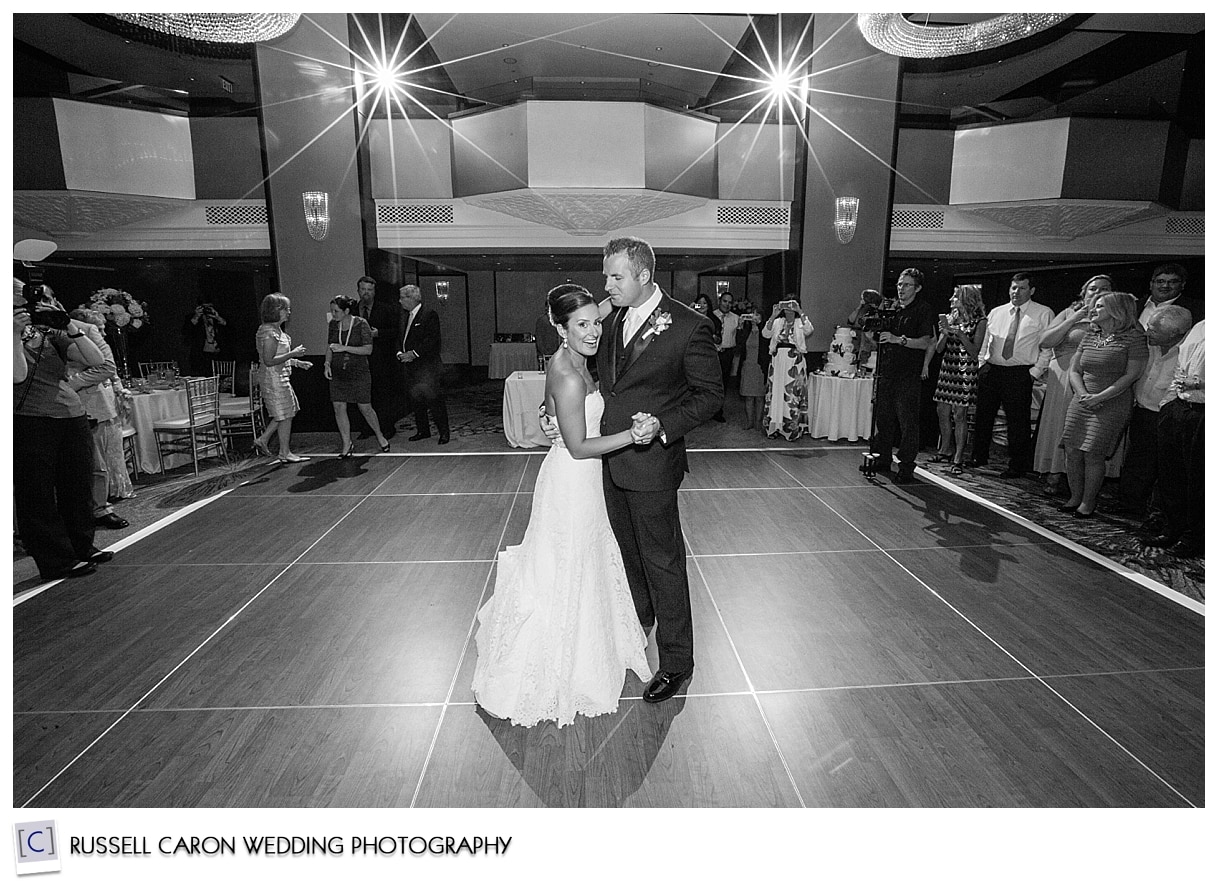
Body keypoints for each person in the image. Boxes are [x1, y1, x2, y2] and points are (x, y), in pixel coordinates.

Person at [542, 237, 722, 704]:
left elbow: (709, 397)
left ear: (644, 275)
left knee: (664, 563)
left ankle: (677, 661)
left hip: (653, 465)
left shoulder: (689, 326)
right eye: (606, 276)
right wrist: (554, 413)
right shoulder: (610, 316)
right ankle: (637, 622)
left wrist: (664, 425)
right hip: (604, 465)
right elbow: (573, 347)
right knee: (627, 555)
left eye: (615, 277)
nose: (607, 285)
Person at [473, 284, 653, 727]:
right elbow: (578, 446)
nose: (593, 331)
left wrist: (543, 411)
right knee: (568, 565)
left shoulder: (575, 361)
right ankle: (562, 662)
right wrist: (635, 435)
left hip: (582, 483)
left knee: (583, 561)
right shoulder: (570, 372)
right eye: (582, 325)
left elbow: (553, 404)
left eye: (596, 322)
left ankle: (590, 644)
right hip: (573, 481)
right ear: (560, 327)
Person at [14, 280, 115, 581]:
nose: (28, 297)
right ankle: (56, 560)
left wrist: (68, 323)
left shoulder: (48, 329)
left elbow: (95, 359)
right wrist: (12, 333)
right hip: (29, 418)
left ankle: (82, 545)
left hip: (70, 414)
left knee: (77, 485)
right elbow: (17, 375)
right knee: (38, 493)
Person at [1058, 292, 1148, 518]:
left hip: (1111, 402)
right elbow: (1075, 369)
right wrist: (1082, 393)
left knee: (1093, 453)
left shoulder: (1134, 337)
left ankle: (1088, 503)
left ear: (1116, 310)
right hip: (1082, 399)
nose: (1093, 309)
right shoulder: (1090, 334)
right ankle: (1074, 497)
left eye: (1099, 306)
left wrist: (1100, 397)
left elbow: (1131, 375)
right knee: (1072, 450)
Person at [1031, 274, 1113, 494]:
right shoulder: (1069, 313)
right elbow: (1045, 341)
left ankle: (1086, 483)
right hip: (1065, 378)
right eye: (1093, 289)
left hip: (1098, 379)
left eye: (1105, 288)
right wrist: (1074, 319)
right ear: (1084, 293)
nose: (1098, 292)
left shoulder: (1116, 315)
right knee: (1061, 425)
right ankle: (1056, 471)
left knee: (1089, 430)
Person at [971, 272, 1055, 479]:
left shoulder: (1043, 313)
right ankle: (978, 457)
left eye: (1022, 288)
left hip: (1020, 372)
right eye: (1014, 288)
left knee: (1018, 422)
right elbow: (986, 341)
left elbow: (1048, 347)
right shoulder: (997, 312)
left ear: (1032, 290)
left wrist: (1034, 373)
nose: (1016, 292)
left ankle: (1017, 465)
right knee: (983, 416)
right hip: (992, 370)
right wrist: (982, 363)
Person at [1119, 305, 1192, 524]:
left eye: (1153, 330)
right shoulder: (1148, 345)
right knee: (1136, 460)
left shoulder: (1187, 350)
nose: (1147, 332)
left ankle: (1157, 514)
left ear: (1174, 334)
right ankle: (1129, 504)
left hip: (1165, 416)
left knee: (1162, 468)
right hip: (1140, 410)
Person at [863, 270, 934, 483]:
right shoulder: (891, 309)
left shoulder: (923, 310)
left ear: (918, 288)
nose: (902, 289)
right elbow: (883, 342)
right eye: (900, 285)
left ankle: (906, 465)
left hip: (908, 374)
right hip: (887, 371)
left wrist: (898, 339)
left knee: (907, 422)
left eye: (907, 285)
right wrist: (872, 337)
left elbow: (925, 342)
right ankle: (883, 457)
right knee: (883, 419)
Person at [67, 307, 131, 528]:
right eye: (101, 329)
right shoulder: (61, 336)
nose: (103, 334)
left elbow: (108, 368)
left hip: (98, 406)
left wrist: (119, 388)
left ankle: (100, 508)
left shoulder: (89, 335)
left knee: (99, 463)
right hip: (69, 407)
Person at [1145, 319, 1204, 557]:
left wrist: (1200, 383)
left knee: (1199, 480)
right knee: (1172, 477)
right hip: (1180, 407)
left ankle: (1196, 538)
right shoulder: (1201, 326)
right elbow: (1181, 368)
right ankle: (1174, 528)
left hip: (1205, 413)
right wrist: (1167, 405)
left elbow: (1194, 378)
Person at [924, 284, 986, 475]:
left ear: (966, 299)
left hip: (965, 370)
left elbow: (975, 352)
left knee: (960, 415)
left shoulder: (980, 321)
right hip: (947, 369)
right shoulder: (952, 318)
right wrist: (945, 332)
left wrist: (959, 333)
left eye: (955, 297)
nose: (951, 300)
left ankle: (958, 456)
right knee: (942, 411)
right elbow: (940, 349)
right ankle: (944, 449)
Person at [325, 295, 390, 458]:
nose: (333, 314)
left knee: (365, 407)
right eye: (332, 311)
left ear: (347, 311)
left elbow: (368, 350)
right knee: (339, 407)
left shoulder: (361, 324)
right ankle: (347, 443)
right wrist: (327, 363)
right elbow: (330, 346)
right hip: (338, 372)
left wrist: (345, 348)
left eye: (336, 311)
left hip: (358, 372)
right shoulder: (333, 325)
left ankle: (380, 436)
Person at [251, 293, 311, 463]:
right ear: (275, 310)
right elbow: (269, 360)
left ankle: (278, 448)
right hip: (273, 379)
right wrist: (293, 353)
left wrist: (298, 362)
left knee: (288, 412)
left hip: (281, 376)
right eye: (286, 308)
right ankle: (280, 449)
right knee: (284, 413)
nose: (288, 312)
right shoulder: (268, 332)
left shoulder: (277, 330)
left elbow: (280, 357)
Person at [396, 284, 450, 444]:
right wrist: (400, 353)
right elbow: (399, 338)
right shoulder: (404, 316)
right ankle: (423, 430)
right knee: (416, 401)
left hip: (428, 368)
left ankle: (444, 433)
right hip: (410, 367)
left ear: (412, 298)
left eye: (402, 298)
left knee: (435, 401)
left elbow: (432, 340)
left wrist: (413, 354)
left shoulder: (428, 314)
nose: (400, 302)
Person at [353, 275, 402, 439]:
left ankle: (387, 428)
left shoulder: (386, 309)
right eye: (363, 289)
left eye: (369, 290)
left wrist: (378, 333)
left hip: (382, 360)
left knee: (383, 396)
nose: (366, 293)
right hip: (359, 361)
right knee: (364, 397)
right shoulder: (351, 309)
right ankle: (367, 429)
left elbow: (396, 331)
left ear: (374, 291)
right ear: (358, 290)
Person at [761, 299, 813, 441]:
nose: (788, 309)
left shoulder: (799, 322)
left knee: (792, 394)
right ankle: (774, 427)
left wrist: (800, 312)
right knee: (776, 393)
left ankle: (792, 429)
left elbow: (809, 330)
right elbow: (765, 333)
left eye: (792, 306)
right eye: (786, 306)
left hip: (794, 361)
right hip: (778, 360)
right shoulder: (778, 321)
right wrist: (773, 315)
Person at [1139, 262, 1202, 328]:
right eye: (1160, 281)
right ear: (1151, 284)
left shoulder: (1197, 310)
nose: (1165, 285)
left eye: (1172, 282)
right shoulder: (1134, 306)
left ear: (1182, 285)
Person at [710, 291, 740, 422]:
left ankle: (718, 411)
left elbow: (740, 338)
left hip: (727, 354)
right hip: (712, 354)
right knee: (710, 383)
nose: (727, 304)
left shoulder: (736, 318)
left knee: (723, 384)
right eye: (724, 301)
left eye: (730, 302)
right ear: (719, 301)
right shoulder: (712, 316)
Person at [182, 297, 228, 377]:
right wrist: (196, 316)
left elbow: (231, 331)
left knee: (222, 382)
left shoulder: (218, 316)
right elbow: (186, 332)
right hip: (202, 357)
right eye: (204, 307)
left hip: (219, 355)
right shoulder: (193, 318)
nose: (207, 310)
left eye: (209, 307)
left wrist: (218, 317)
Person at [737, 305, 766, 430]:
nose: (754, 317)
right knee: (748, 397)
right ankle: (749, 422)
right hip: (748, 366)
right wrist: (740, 326)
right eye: (752, 314)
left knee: (759, 397)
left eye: (757, 314)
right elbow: (738, 345)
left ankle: (758, 422)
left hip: (760, 366)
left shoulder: (765, 330)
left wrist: (757, 326)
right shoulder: (746, 330)